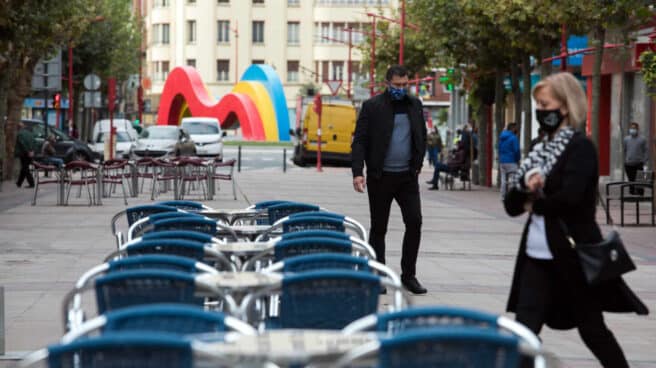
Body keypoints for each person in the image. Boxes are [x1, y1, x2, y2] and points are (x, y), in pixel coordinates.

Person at [504, 72, 648, 368]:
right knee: (524, 331)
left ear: (566, 107)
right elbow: (512, 205)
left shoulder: (580, 147)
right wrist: (528, 194)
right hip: (535, 255)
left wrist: (536, 199)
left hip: (572, 255)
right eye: (538, 106)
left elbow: (570, 199)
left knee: (592, 329)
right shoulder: (538, 149)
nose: (541, 112)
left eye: (546, 105)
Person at [351, 65, 427, 295]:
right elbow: (360, 141)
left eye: (405, 85)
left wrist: (418, 163)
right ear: (387, 83)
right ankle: (379, 275)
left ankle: (408, 275)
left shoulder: (415, 105)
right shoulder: (373, 107)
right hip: (380, 177)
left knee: (414, 222)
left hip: (407, 178)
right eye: (397, 85)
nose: (401, 89)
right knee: (379, 228)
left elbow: (421, 135)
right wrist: (358, 172)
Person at [623, 122, 648, 195]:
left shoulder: (642, 139)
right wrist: (625, 160)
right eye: (631, 128)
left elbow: (646, 151)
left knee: (639, 181)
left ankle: (640, 194)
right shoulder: (626, 139)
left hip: (639, 164)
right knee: (631, 180)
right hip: (628, 164)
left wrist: (644, 160)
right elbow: (624, 150)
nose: (632, 130)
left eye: (634, 128)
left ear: (637, 129)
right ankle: (632, 194)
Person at [498, 122, 520, 198]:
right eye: (516, 128)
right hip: (511, 161)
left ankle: (503, 196)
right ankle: (511, 196)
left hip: (502, 161)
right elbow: (516, 150)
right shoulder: (514, 138)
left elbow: (499, 148)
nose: (517, 129)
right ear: (512, 128)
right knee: (512, 179)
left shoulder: (501, 137)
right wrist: (518, 159)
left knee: (503, 179)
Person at [15, 121, 35, 188]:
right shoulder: (30, 134)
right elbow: (35, 142)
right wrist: (32, 151)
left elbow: (22, 144)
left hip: (24, 153)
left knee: (25, 168)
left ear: (18, 128)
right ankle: (19, 183)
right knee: (24, 168)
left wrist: (27, 151)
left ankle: (31, 183)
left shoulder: (20, 134)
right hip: (30, 153)